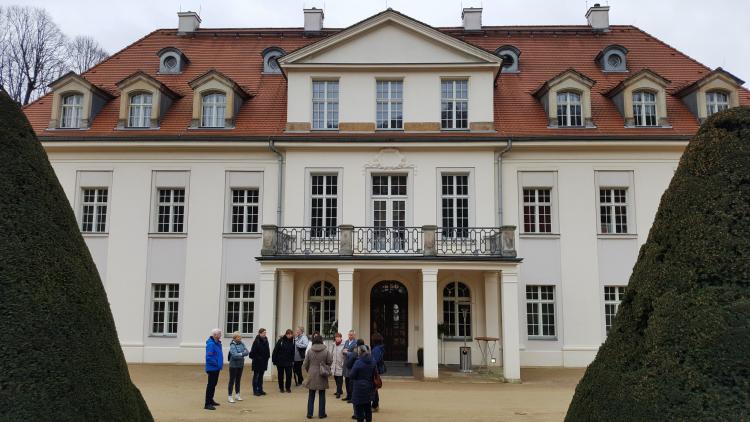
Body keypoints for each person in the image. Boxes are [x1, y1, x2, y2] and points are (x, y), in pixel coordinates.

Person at [303, 334, 333, 419]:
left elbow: (305, 364)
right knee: (322, 394)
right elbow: (330, 361)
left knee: (311, 394)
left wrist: (309, 370)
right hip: (322, 374)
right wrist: (325, 366)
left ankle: (309, 413)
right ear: (321, 341)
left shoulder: (309, 351)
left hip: (312, 373)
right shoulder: (326, 350)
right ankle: (321, 413)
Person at [350, 345, 376, 422]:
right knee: (368, 408)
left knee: (359, 411)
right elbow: (375, 373)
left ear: (360, 352)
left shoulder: (358, 362)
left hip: (359, 388)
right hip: (369, 387)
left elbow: (352, 375)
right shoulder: (373, 361)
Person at [227, 331, 250, 403]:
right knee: (232, 380)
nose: (240, 338)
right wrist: (242, 354)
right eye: (239, 337)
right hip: (233, 365)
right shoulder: (232, 345)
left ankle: (237, 394)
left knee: (238, 380)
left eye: (240, 337)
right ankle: (230, 396)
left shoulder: (242, 343)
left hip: (240, 364)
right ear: (235, 338)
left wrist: (240, 354)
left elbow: (247, 352)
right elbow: (234, 355)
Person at [204, 328, 223, 410]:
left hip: (216, 368)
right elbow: (209, 357)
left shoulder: (217, 343)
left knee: (213, 385)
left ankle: (211, 400)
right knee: (210, 385)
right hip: (212, 368)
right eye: (219, 334)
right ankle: (207, 404)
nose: (220, 335)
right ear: (215, 335)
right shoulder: (211, 344)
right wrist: (216, 364)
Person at [272, 329, 295, 393]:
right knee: (280, 375)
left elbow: (293, 352)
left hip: (289, 361)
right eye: (289, 334)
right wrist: (274, 360)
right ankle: (281, 388)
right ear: (286, 334)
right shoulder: (281, 341)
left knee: (289, 375)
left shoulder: (293, 341)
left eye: (291, 334)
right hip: (280, 361)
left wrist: (293, 360)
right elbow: (275, 351)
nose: (290, 336)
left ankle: (288, 388)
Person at [249, 328, 270, 396]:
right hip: (257, 362)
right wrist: (259, 358)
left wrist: (267, 357)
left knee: (261, 377)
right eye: (263, 333)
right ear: (260, 333)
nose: (265, 334)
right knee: (256, 377)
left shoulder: (266, 340)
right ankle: (255, 391)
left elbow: (267, 350)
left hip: (264, 361)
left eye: (265, 333)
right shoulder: (256, 341)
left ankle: (260, 390)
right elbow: (253, 353)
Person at [370, 333, 386, 412]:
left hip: (375, 369)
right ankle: (375, 404)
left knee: (374, 387)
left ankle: (375, 405)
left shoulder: (376, 349)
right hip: (376, 369)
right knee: (374, 387)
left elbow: (375, 361)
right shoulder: (379, 348)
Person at [341, 330, 357, 402]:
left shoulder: (355, 343)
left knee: (351, 382)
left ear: (354, 336)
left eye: (351, 335)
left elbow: (355, 354)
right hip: (346, 363)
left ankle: (352, 397)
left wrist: (347, 352)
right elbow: (343, 349)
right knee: (346, 381)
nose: (350, 336)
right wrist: (343, 351)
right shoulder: (347, 341)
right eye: (349, 335)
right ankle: (348, 395)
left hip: (352, 364)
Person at [329, 332, 345, 399]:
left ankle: (338, 392)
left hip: (340, 364)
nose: (337, 338)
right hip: (334, 364)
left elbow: (344, 355)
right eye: (336, 337)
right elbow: (331, 353)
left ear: (341, 338)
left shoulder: (344, 345)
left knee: (340, 379)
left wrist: (343, 363)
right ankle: (340, 390)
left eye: (338, 337)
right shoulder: (333, 345)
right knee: (335, 378)